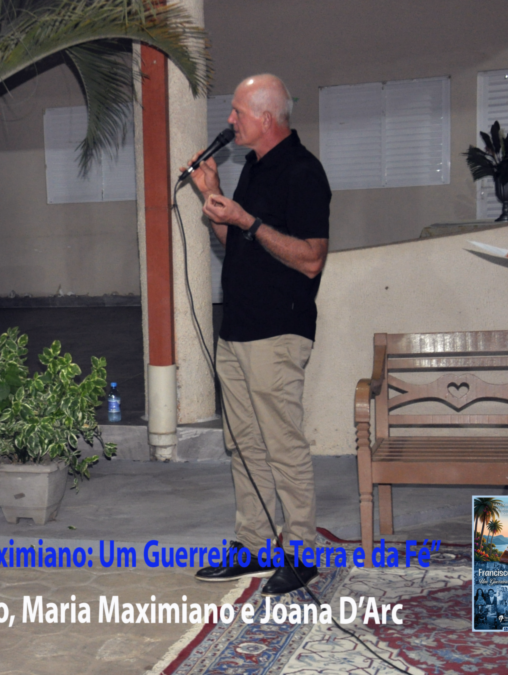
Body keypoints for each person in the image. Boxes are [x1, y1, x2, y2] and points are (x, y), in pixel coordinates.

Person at [184, 74, 330, 596]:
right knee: (244, 444)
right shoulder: (253, 167)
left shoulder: (303, 172)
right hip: (238, 330)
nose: (229, 120)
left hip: (278, 331)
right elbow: (241, 242)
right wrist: (213, 195)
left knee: (282, 444)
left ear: (266, 118)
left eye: (237, 112)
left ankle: (303, 554)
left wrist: (247, 218)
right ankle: (253, 545)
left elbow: (311, 259)